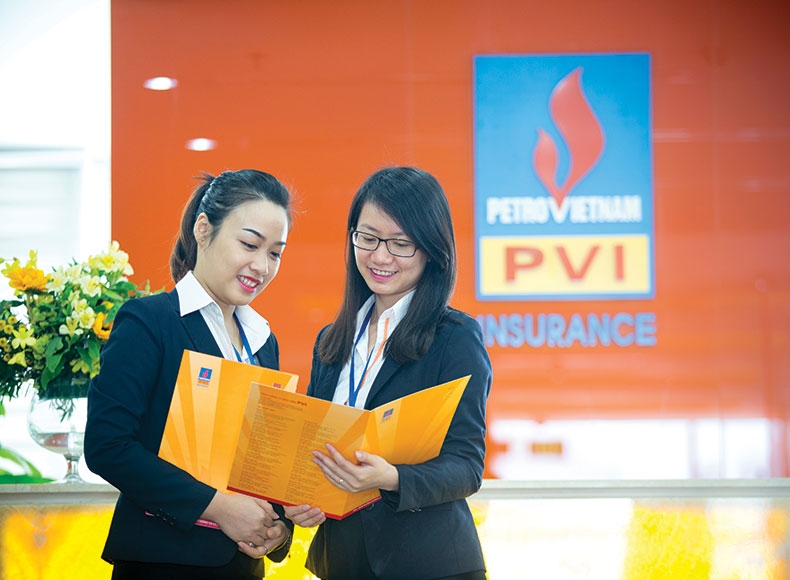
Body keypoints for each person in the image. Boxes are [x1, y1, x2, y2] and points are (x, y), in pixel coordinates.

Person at [84, 169, 325, 580]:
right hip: (162, 564)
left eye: (275, 253)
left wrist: (278, 528)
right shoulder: (150, 321)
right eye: (249, 244)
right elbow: (108, 446)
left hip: (241, 568)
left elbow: (258, 463)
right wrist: (219, 508)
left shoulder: (262, 341)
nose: (261, 265)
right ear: (203, 229)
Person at [297, 166, 492, 580]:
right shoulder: (331, 341)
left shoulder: (454, 337)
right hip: (342, 562)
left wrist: (393, 478)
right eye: (367, 238)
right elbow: (315, 448)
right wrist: (298, 497)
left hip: (430, 564)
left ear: (431, 250)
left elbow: (466, 466)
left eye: (401, 244)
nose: (380, 257)